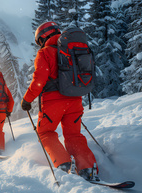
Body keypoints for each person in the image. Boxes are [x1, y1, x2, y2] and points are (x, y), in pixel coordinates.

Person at [21, 21, 98, 181]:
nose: (39, 45)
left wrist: (27, 100)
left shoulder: (45, 53)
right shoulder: (72, 50)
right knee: (73, 135)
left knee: (45, 132)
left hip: (53, 103)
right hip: (75, 101)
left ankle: (63, 166)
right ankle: (88, 169)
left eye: (39, 42)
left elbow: (39, 81)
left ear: (43, 37)